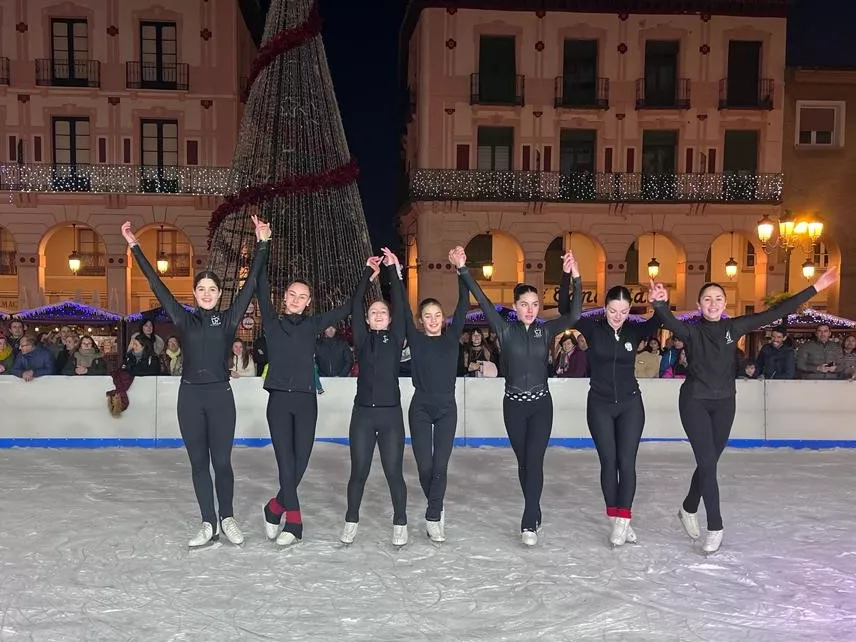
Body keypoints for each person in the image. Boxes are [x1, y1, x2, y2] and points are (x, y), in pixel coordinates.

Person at [649, 267, 839, 554]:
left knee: (709, 462)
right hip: (694, 402)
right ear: (700, 304)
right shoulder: (691, 330)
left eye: (718, 299)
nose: (713, 304)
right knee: (708, 463)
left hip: (725, 402)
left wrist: (816, 287)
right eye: (707, 299)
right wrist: (660, 303)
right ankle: (715, 526)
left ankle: (688, 507)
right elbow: (668, 321)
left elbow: (775, 312)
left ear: (725, 304)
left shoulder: (733, 327)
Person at [122, 216, 270, 548]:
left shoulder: (230, 317)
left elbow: (250, 286)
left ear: (219, 294)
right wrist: (134, 245)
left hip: (220, 397)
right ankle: (208, 522)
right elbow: (156, 284)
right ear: (194, 293)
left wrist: (263, 243)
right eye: (201, 289)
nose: (206, 293)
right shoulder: (183, 318)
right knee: (199, 464)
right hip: (189, 399)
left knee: (222, 462)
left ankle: (227, 517)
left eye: (212, 289)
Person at [454, 246, 582, 545]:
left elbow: (575, 313)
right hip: (513, 406)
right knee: (523, 462)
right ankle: (534, 508)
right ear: (515, 306)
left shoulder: (546, 331)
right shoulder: (505, 329)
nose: (530, 309)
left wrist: (575, 275)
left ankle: (528, 519)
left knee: (534, 460)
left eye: (535, 304)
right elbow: (483, 301)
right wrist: (462, 268)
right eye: (524, 304)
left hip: (541, 405)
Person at [255, 251, 356, 547]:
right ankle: (294, 520)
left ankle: (274, 507)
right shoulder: (272, 323)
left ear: (309, 302)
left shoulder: (313, 325)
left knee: (300, 463)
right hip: (279, 402)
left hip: (306, 401)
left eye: (303, 296)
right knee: (286, 462)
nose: (297, 299)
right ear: (284, 297)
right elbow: (260, 284)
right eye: (292, 294)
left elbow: (348, 307)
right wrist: (264, 245)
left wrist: (368, 274)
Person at [562, 287, 662, 547]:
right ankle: (615, 518)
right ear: (605, 308)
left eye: (624, 311)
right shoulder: (593, 329)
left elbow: (660, 319)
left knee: (626, 462)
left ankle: (623, 520)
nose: (618, 316)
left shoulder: (634, 330)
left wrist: (661, 300)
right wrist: (570, 278)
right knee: (609, 462)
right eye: (613, 310)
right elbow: (566, 308)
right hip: (599, 405)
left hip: (630, 404)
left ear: (629, 311)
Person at [385, 246, 469, 542]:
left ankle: (434, 514)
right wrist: (395, 271)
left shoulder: (451, 338)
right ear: (421, 319)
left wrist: (461, 269)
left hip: (447, 407)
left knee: (441, 465)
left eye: (437, 315)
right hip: (420, 407)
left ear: (443, 318)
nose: (432, 320)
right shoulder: (417, 340)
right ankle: (437, 503)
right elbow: (403, 309)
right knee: (425, 465)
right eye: (427, 316)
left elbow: (463, 304)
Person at [340, 253, 408, 546]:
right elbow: (355, 304)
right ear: (367, 321)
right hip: (363, 416)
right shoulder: (363, 339)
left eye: (383, 312)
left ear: (390, 319)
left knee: (394, 473)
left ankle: (401, 522)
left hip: (391, 416)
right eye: (374, 312)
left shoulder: (395, 339)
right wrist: (368, 273)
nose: (378, 315)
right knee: (359, 472)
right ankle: (351, 519)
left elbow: (404, 310)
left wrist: (392, 270)